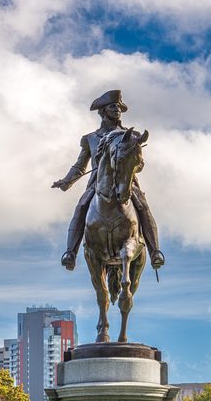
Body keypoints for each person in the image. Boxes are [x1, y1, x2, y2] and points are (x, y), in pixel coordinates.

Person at [51, 90, 165, 271]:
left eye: (120, 107)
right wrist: (67, 181)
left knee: (143, 206)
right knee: (81, 207)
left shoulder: (131, 136)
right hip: (98, 183)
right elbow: (80, 166)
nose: (118, 110)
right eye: (114, 106)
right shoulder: (90, 139)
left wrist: (130, 166)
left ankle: (155, 252)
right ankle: (70, 252)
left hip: (126, 182)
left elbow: (140, 164)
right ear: (103, 111)